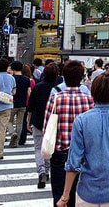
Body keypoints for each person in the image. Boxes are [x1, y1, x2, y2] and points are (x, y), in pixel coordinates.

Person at [56, 72, 109, 207]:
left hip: (87, 190)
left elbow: (73, 163)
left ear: (93, 92)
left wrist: (65, 195)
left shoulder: (81, 120)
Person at [44, 60, 93, 206]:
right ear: (82, 77)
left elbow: (47, 126)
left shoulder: (56, 98)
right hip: (84, 154)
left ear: (63, 77)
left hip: (60, 152)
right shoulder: (89, 99)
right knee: (80, 196)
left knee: (60, 196)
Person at [26, 63, 59, 189]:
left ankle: (41, 172)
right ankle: (47, 170)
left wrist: (28, 121)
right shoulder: (58, 89)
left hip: (38, 121)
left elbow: (31, 106)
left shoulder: (38, 87)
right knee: (50, 147)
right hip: (53, 122)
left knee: (38, 148)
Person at [6, 60, 31, 148]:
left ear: (12, 68)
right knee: (20, 123)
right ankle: (15, 142)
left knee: (8, 121)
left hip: (12, 103)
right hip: (23, 103)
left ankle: (12, 133)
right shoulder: (27, 79)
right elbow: (29, 92)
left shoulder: (11, 78)